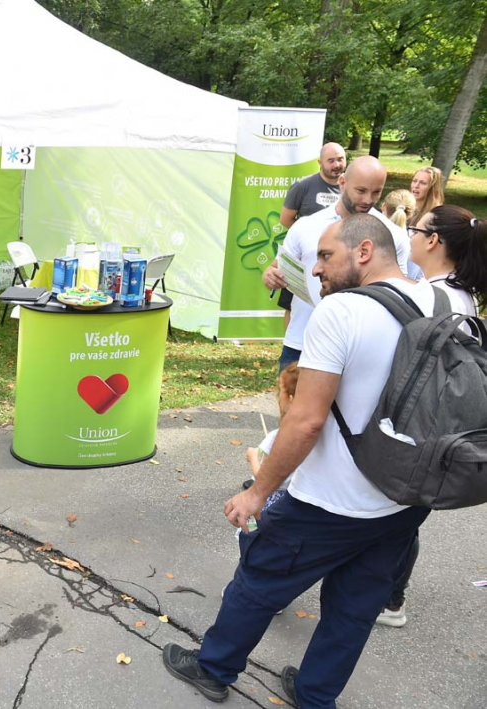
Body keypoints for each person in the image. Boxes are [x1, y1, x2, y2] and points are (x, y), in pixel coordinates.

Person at [163, 215, 434, 709]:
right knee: (354, 610)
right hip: (404, 499)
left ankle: (213, 668)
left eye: (326, 256)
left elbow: (306, 421)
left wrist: (257, 492)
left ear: (364, 251)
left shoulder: (342, 311)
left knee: (259, 579)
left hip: (329, 500)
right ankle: (315, 697)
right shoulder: (439, 300)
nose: (315, 269)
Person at [376, 206, 487, 629]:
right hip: (445, 425)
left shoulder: (432, 297)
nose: (410, 236)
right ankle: (391, 598)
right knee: (405, 517)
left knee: (396, 516)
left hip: (421, 425)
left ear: (433, 240)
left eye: (414, 229)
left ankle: (389, 598)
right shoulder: (461, 293)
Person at [262, 156, 416, 372]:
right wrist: (270, 275)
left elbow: (398, 289)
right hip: (302, 342)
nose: (368, 199)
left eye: (376, 192)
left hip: (362, 348)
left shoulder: (392, 235)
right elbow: (276, 267)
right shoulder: (307, 226)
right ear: (342, 183)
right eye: (360, 190)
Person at [274, 143, 349, 328]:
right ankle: (291, 342)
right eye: (331, 160)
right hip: (304, 258)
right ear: (319, 162)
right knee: (293, 304)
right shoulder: (302, 186)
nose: (337, 165)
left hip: (339, 261)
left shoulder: (350, 188)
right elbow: (286, 219)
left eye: (340, 159)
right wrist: (309, 238)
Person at [240, 363, 300, 502]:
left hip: (276, 499)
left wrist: (253, 456)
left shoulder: (277, 437)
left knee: (246, 516)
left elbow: (264, 479)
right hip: (299, 497)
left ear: (290, 400)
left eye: (281, 392)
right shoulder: (319, 435)